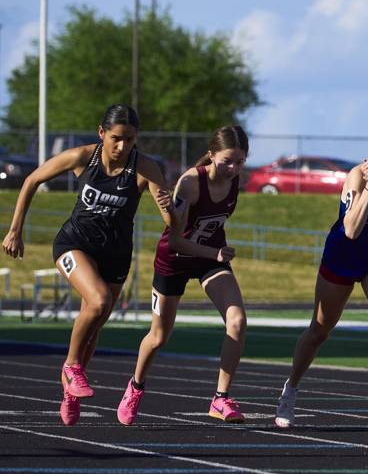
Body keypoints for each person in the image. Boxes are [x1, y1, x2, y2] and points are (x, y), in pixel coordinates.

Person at [3, 104, 173, 426]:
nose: (123, 147)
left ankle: (69, 392)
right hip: (74, 244)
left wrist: (171, 209)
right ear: (102, 133)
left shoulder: (144, 167)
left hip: (115, 254)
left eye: (130, 140)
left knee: (93, 328)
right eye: (117, 139)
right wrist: (15, 230)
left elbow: (171, 222)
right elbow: (32, 180)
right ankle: (71, 366)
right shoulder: (83, 157)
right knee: (98, 301)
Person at [274, 129, 368, 429]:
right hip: (343, 256)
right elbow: (352, 230)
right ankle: (290, 389)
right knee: (319, 330)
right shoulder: (358, 176)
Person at [117, 126, 251, 426]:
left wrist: (214, 254)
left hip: (209, 259)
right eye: (227, 161)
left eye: (240, 162)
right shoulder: (190, 183)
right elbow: (176, 240)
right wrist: (214, 254)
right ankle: (135, 386)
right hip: (176, 260)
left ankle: (221, 398)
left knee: (238, 320)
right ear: (212, 154)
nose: (233, 168)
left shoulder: (234, 182)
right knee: (159, 336)